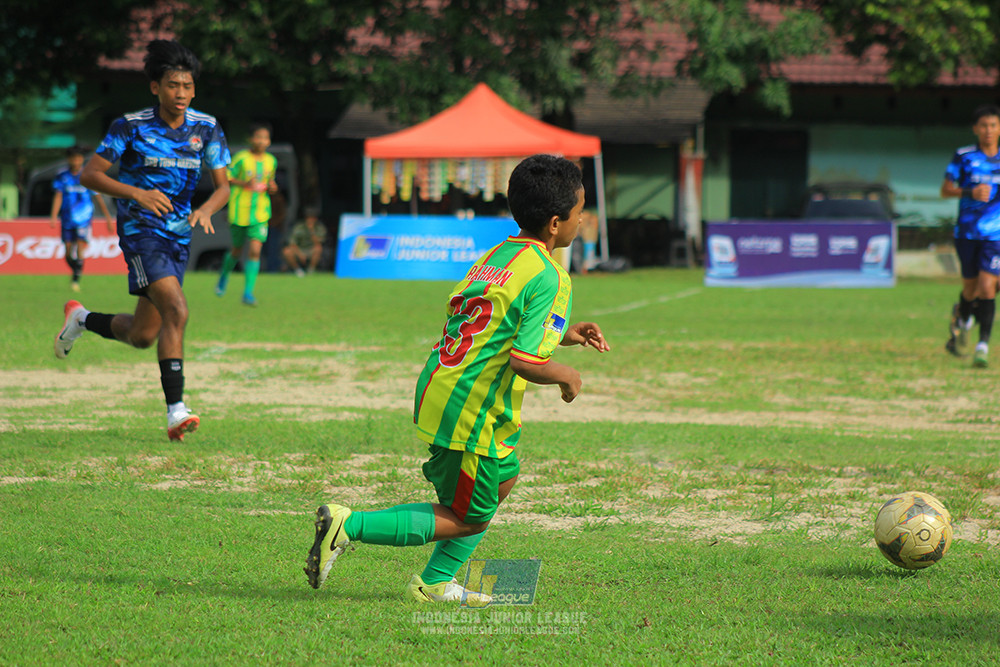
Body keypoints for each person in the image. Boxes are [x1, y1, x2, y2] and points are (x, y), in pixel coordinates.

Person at [303, 154, 612, 603]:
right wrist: (566, 375)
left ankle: (435, 581)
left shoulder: (500, 253)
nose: (583, 219)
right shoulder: (551, 275)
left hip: (442, 386)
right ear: (553, 223)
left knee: (503, 477)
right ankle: (349, 526)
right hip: (474, 408)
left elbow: (500, 321)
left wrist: (564, 334)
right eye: (579, 210)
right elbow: (524, 361)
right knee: (468, 516)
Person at [54, 39, 231, 441]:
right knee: (178, 310)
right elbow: (90, 175)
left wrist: (205, 210)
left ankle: (80, 319)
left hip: (178, 237)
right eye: (173, 85)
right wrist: (137, 194)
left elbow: (223, 188)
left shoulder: (207, 128)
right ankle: (176, 410)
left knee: (142, 334)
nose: (181, 94)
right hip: (140, 234)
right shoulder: (130, 126)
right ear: (156, 87)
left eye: (187, 86)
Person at [942, 104, 1000, 368]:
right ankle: (962, 317)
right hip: (966, 232)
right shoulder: (963, 156)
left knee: (988, 286)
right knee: (970, 289)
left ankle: (982, 345)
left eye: (993, 125)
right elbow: (946, 190)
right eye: (984, 126)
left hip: (995, 234)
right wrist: (970, 192)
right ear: (976, 129)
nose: (988, 131)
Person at [216, 122, 277, 306]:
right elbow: (226, 176)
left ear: (269, 141)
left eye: (265, 137)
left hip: (260, 212)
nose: (261, 141)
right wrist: (244, 183)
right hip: (240, 211)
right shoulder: (241, 158)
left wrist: (273, 187)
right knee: (236, 249)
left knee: (255, 250)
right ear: (251, 139)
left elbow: (270, 182)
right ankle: (224, 276)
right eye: (258, 137)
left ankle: (248, 293)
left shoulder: (271, 161)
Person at [49, 145, 114, 291]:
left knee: (80, 246)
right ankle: (76, 269)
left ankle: (76, 279)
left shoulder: (87, 175)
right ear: (69, 159)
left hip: (84, 219)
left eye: (78, 158)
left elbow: (98, 197)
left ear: (81, 159)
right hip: (67, 218)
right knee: (67, 252)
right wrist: (53, 215)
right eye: (73, 158)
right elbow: (58, 196)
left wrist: (108, 218)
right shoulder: (62, 176)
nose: (76, 161)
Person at [282, 207, 326, 276]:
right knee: (286, 251)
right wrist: (300, 254)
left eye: (312, 218)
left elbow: (319, 243)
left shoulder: (319, 227)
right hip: (299, 249)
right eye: (308, 218)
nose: (310, 220)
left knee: (318, 248)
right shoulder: (299, 227)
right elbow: (292, 243)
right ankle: (297, 270)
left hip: (311, 249)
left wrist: (311, 231)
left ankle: (311, 270)